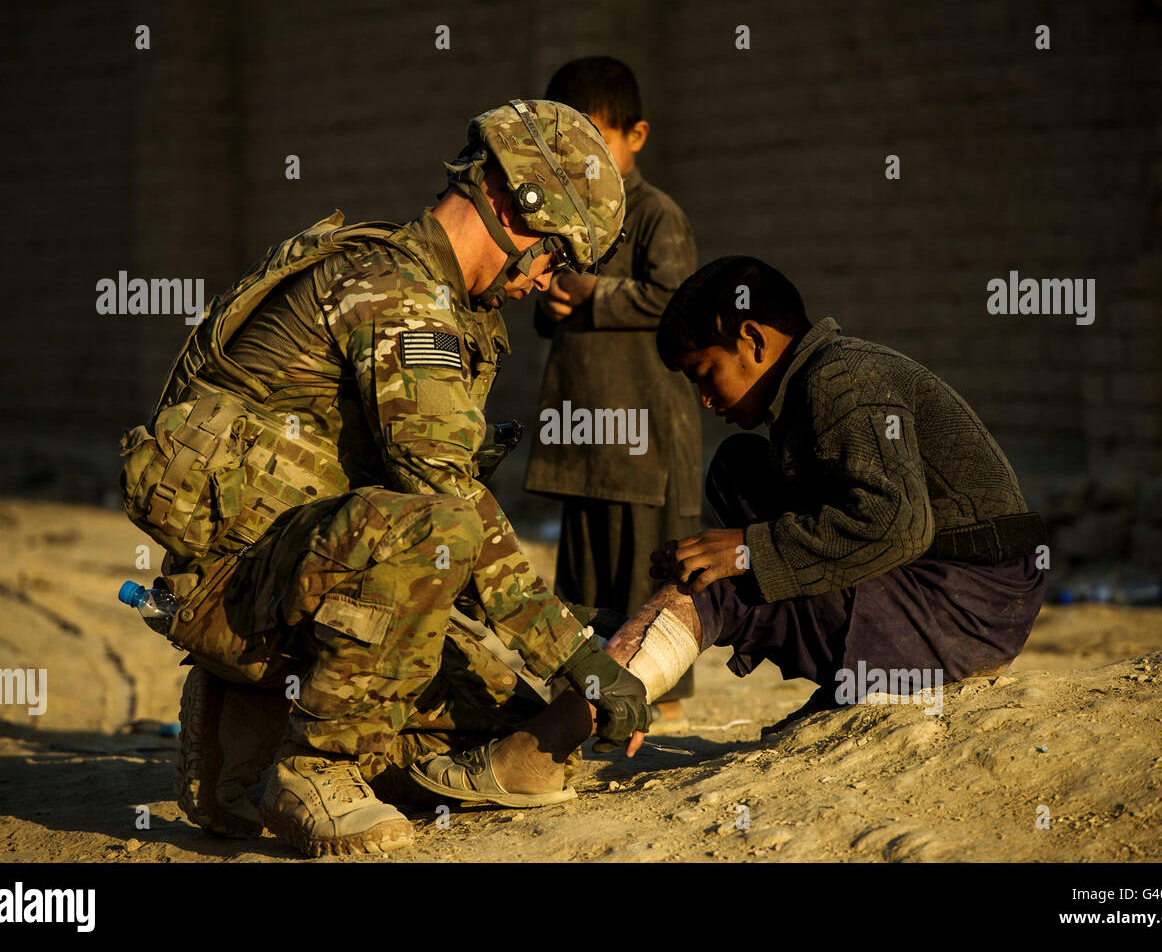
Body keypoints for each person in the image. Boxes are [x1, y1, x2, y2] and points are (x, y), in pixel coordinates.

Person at [120, 100, 651, 858]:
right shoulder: (398, 296)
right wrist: (575, 654)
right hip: (239, 595)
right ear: (512, 205)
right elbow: (445, 504)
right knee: (439, 528)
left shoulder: (426, 292)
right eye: (554, 255)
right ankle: (316, 768)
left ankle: (240, 748)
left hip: (285, 581)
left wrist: (560, 655)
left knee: (506, 727)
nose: (545, 281)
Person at [411, 255, 1049, 798]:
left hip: (971, 606)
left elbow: (899, 524)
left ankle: (543, 750)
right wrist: (729, 552)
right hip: (940, 588)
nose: (705, 400)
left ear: (754, 338)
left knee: (727, 578)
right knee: (738, 474)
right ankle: (673, 645)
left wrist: (746, 551)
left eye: (704, 375)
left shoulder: (841, 382)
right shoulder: (809, 389)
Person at [525, 57, 701, 732]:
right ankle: (591, 699)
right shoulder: (569, 221)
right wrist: (556, 303)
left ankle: (666, 706)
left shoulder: (657, 216)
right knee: (585, 582)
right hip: (585, 439)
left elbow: (674, 297)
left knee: (647, 577)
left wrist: (594, 293)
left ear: (638, 136)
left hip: (646, 442)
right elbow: (543, 305)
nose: (586, 157)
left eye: (599, 138)